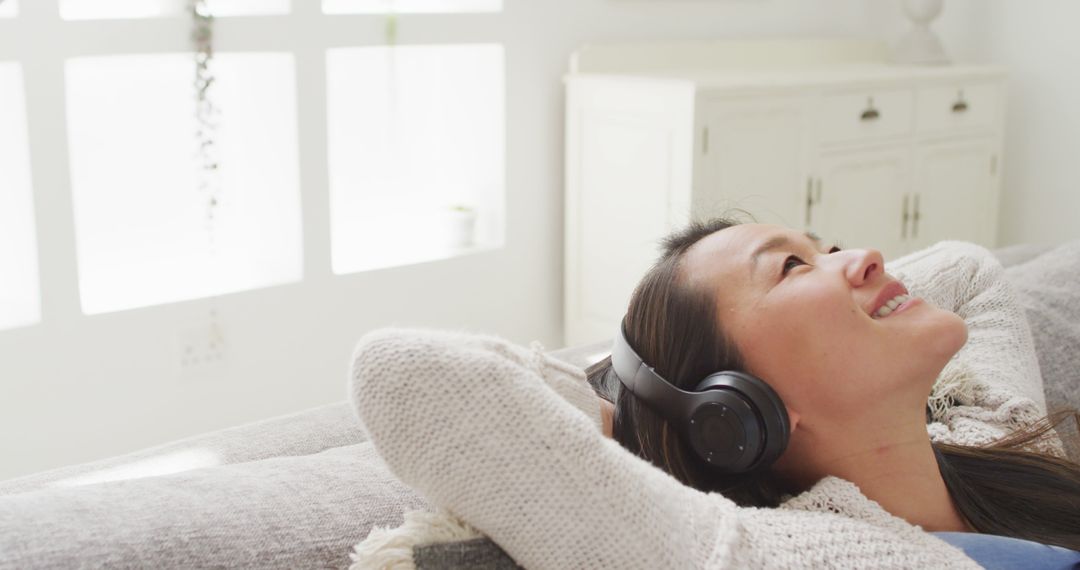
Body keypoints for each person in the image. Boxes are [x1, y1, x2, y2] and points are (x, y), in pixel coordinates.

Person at [350, 217, 1080, 569]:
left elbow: (964, 267)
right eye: (792, 268)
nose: (864, 259)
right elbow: (401, 375)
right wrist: (637, 399)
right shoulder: (762, 556)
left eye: (824, 247)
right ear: (735, 412)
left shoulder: (989, 429)